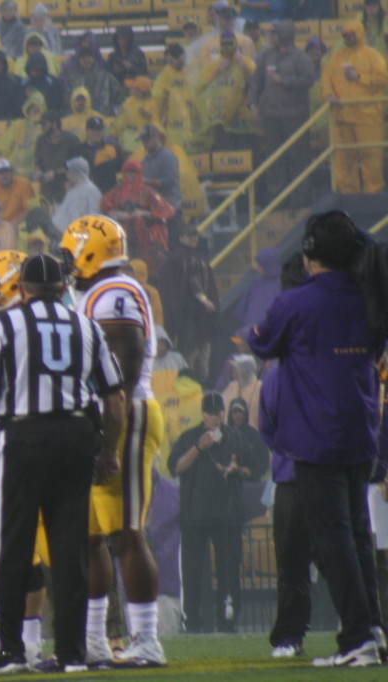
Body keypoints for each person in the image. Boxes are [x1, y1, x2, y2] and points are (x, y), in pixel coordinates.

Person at [0, 252, 124, 673]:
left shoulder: (4, 324)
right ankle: (71, 653)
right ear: (64, 287)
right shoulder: (86, 327)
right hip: (76, 436)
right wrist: (110, 451)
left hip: (24, 436)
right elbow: (115, 399)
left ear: (23, 288)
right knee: (70, 549)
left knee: (12, 543)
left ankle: (10, 649)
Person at [249, 211, 387, 667]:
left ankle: (358, 638)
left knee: (334, 540)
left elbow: (261, 343)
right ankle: (373, 629)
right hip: (361, 431)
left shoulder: (297, 303)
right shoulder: (371, 294)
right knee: (358, 537)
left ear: (309, 255)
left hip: (314, 436)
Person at [60, 215, 167, 667]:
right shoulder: (94, 292)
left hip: (125, 413)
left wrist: (108, 436)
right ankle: (95, 640)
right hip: (99, 415)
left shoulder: (115, 292)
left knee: (127, 532)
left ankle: (146, 638)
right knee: (90, 537)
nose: (67, 260)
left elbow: (124, 362)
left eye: (71, 251)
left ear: (90, 250)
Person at [168, 393, 266, 633]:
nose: (215, 417)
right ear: (203, 414)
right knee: (192, 573)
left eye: (218, 412)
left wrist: (237, 470)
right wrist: (198, 448)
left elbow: (256, 468)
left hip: (227, 515)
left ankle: (228, 620)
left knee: (229, 572)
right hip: (194, 516)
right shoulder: (189, 437)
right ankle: (193, 621)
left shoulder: (236, 438)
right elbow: (175, 467)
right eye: (211, 413)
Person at [248, 21, 315, 204]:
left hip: (295, 115)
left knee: (298, 157)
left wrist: (284, 80)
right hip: (271, 116)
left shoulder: (300, 57)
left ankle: (301, 198)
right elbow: (256, 83)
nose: (271, 37)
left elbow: (309, 79)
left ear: (284, 35)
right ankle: (277, 198)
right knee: (274, 158)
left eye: (274, 34)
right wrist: (252, 104)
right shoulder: (265, 57)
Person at [320, 21, 388, 194]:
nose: (347, 37)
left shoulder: (373, 56)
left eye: (350, 33)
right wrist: (329, 95)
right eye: (345, 34)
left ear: (359, 33)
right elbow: (326, 80)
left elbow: (383, 79)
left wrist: (359, 76)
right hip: (343, 117)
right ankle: (347, 195)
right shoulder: (336, 58)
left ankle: (374, 192)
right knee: (344, 160)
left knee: (371, 157)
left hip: (368, 117)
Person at [156, 225, 219, 382]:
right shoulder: (176, 259)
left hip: (198, 319)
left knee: (200, 360)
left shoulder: (196, 258)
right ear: (180, 237)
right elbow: (190, 286)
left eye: (195, 235)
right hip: (188, 320)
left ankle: (199, 391)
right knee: (189, 360)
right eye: (189, 235)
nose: (194, 238)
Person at [50, 157, 101, 239]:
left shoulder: (91, 190)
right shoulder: (73, 190)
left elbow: (94, 215)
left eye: (69, 172)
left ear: (77, 173)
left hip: (81, 236)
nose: (67, 175)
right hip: (65, 234)